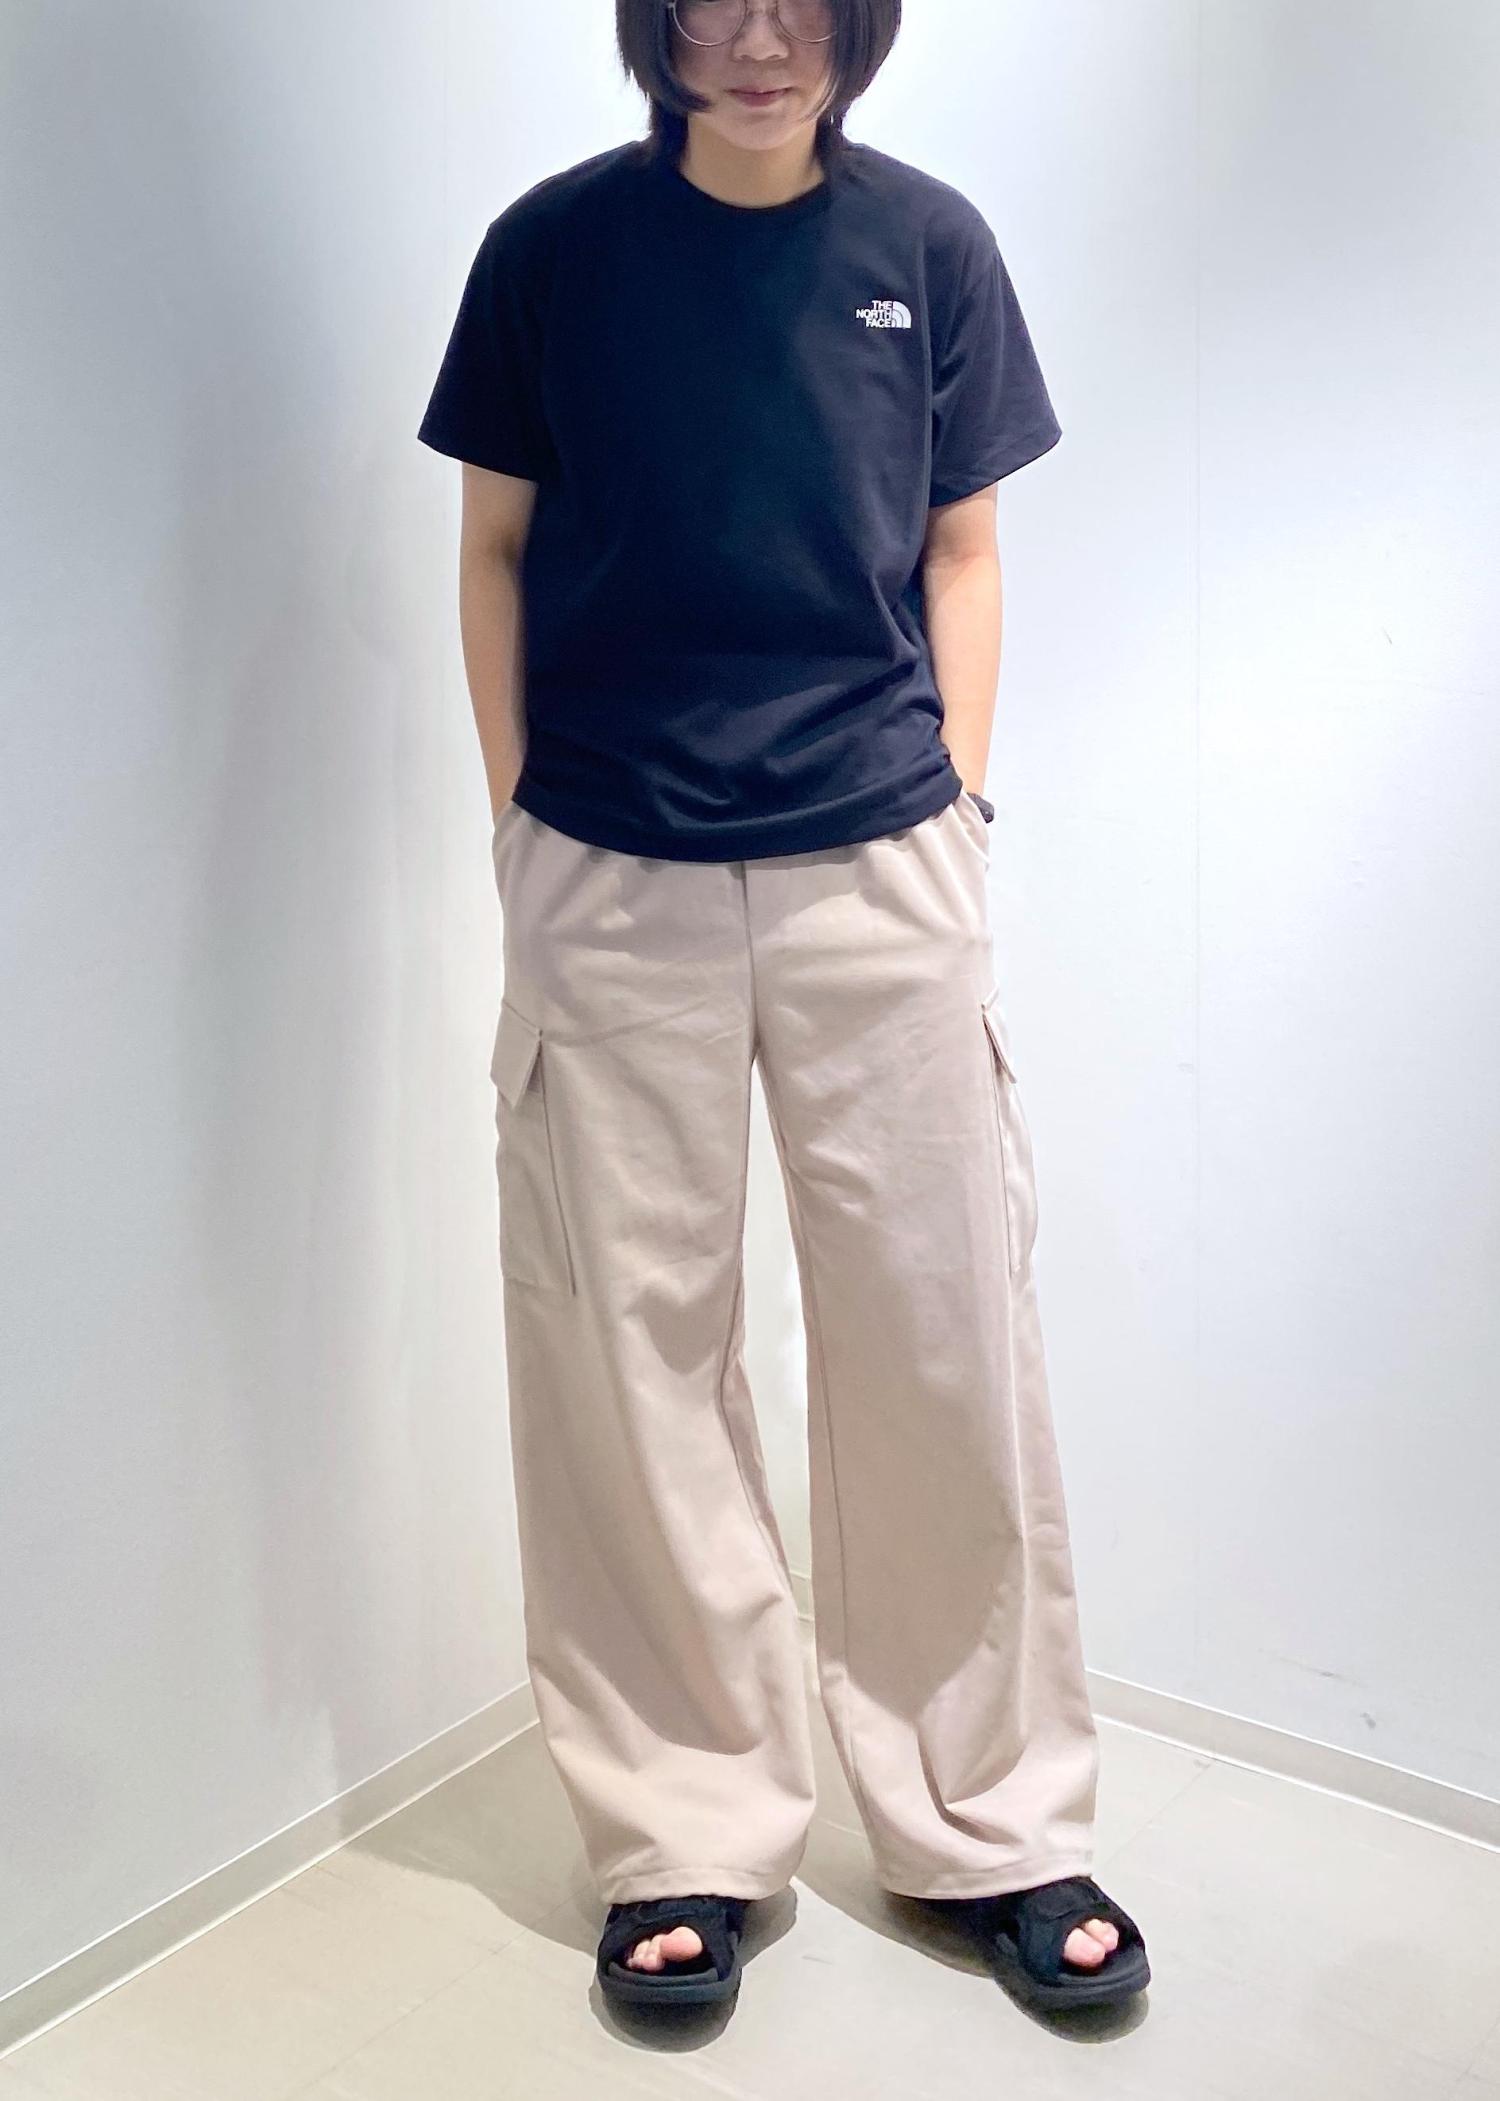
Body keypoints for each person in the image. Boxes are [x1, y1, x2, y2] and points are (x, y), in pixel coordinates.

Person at [417, 0, 1150, 2017]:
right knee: (628, 1358)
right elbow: (492, 547)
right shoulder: (552, 251)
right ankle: (682, 1829)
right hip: (609, 869)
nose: (758, 35)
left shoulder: (930, 247)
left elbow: (964, 550)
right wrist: (519, 822)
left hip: (881, 868)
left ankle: (992, 1816)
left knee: (943, 1336)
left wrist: (960, 804)